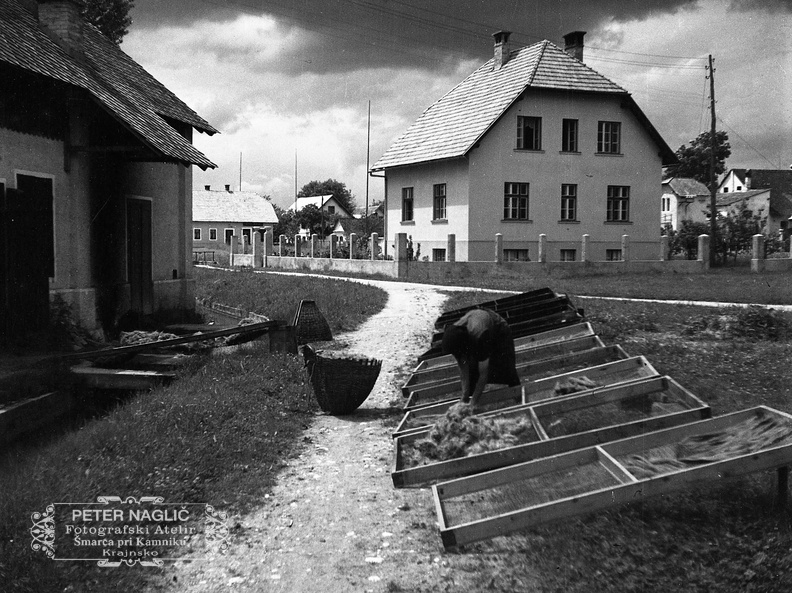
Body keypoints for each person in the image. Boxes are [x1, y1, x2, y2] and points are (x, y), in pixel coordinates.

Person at [440, 308, 520, 408]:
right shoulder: (455, 335)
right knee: (472, 370)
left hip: (499, 331)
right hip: (478, 324)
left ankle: (519, 399)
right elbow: (463, 368)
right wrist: (464, 396)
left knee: (507, 368)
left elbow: (483, 375)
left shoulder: (480, 336)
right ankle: (469, 399)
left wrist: (473, 403)